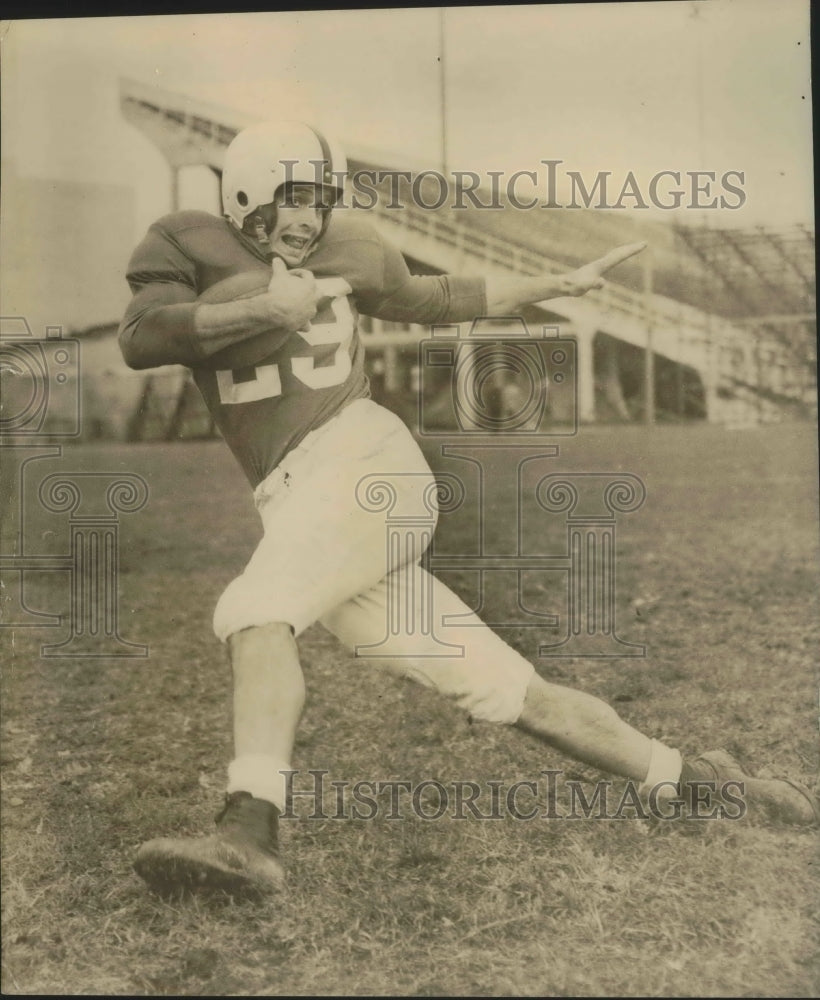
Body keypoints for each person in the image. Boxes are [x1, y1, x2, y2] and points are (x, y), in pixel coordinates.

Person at [119, 121, 817, 897]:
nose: (309, 221)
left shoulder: (350, 248)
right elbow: (143, 337)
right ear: (245, 194)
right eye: (293, 200)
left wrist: (554, 284)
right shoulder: (187, 241)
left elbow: (439, 297)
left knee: (256, 611)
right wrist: (261, 313)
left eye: (320, 202)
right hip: (297, 502)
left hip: (362, 465)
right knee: (509, 691)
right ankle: (695, 778)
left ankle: (249, 831)